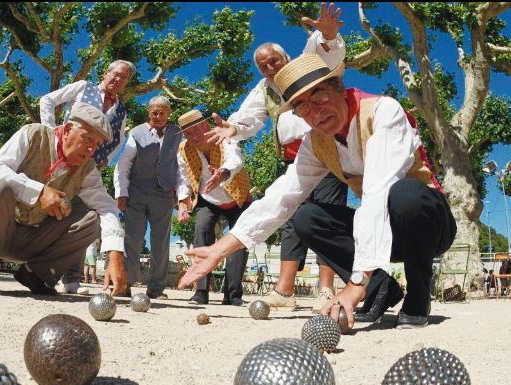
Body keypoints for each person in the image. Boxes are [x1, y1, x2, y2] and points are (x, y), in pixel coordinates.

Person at [179, 54, 456, 330]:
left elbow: (377, 193)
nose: (316, 113)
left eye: (320, 97)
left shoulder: (384, 111)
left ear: (338, 87)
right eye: (303, 108)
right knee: (307, 217)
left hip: (429, 226)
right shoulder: (316, 142)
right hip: (384, 236)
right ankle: (381, 289)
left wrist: (356, 281)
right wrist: (219, 249)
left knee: (404, 194)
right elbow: (281, 198)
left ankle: (418, 296)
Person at [204, 2, 349, 313]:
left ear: (285, 58)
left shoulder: (305, 65)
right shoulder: (263, 89)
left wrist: (327, 36)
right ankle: (284, 289)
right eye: (263, 65)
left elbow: (324, 50)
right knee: (291, 219)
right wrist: (234, 128)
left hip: (328, 150)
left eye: (273, 61)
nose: (269, 67)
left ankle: (326, 288)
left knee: (328, 215)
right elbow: (248, 118)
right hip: (294, 158)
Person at [0, 103, 127, 296]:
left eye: (96, 145)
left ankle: (35, 274)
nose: (90, 150)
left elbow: (106, 206)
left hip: (35, 242)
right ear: (68, 130)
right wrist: (39, 191)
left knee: (91, 220)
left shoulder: (88, 168)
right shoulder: (32, 134)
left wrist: (115, 252)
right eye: (87, 139)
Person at [39, 59, 135, 294]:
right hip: (61, 157)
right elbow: (47, 100)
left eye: (125, 78)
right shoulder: (83, 87)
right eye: (117, 74)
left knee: (82, 216)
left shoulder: (121, 111)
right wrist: (51, 133)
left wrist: (104, 160)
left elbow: (118, 140)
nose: (119, 80)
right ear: (106, 73)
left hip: (88, 167)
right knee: (51, 210)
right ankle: (40, 270)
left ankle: (72, 278)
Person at [175, 110, 252, 306]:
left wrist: (223, 173)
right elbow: (183, 179)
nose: (195, 137)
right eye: (189, 134)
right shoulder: (183, 150)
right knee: (201, 229)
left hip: (237, 197)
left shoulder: (224, 135)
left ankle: (233, 295)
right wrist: (183, 202)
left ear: (206, 126)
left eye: (197, 130)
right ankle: (201, 292)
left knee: (238, 241)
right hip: (208, 199)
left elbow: (236, 159)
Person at [114, 96, 182, 299]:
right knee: (132, 238)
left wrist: (182, 194)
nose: (158, 116)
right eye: (154, 112)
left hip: (164, 194)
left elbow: (181, 168)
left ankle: (156, 288)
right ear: (149, 113)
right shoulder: (136, 133)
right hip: (136, 192)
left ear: (169, 114)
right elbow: (123, 164)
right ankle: (125, 283)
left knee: (161, 241)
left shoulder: (178, 134)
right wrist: (122, 193)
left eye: (162, 112)